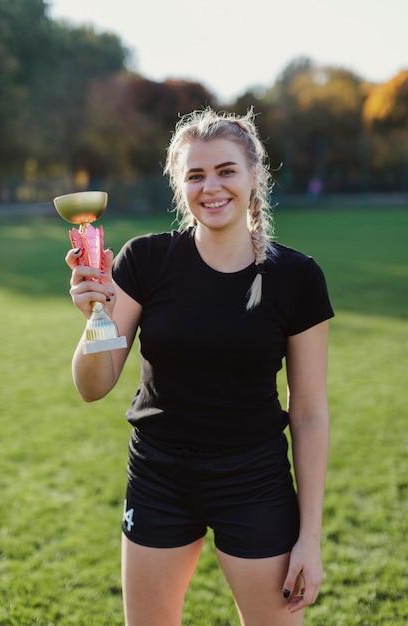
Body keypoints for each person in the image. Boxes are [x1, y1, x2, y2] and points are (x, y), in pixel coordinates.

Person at [65, 108, 334, 626]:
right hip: (158, 475)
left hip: (253, 480)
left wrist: (310, 538)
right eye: (195, 175)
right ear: (179, 185)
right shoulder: (146, 261)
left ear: (255, 176)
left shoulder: (297, 277)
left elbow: (309, 414)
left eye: (226, 171)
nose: (211, 187)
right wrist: (94, 316)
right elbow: (92, 386)